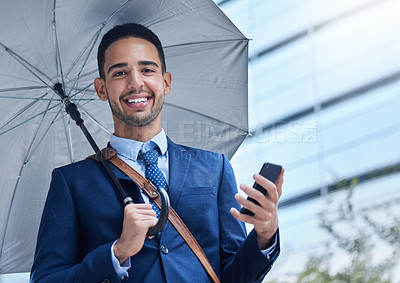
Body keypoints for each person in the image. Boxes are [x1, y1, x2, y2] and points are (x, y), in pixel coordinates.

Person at [30, 23, 284, 283]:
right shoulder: (71, 182)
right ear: (101, 89)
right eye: (119, 73)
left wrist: (264, 236)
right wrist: (116, 253)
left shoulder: (214, 168)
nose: (135, 82)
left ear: (166, 82)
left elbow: (234, 277)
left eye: (147, 69)